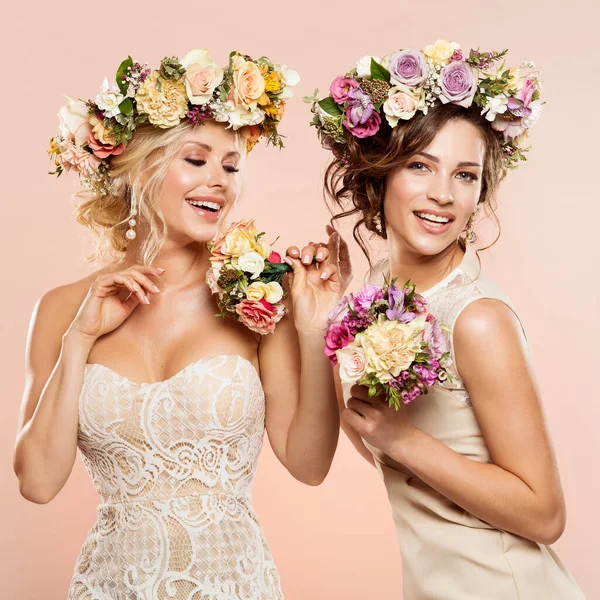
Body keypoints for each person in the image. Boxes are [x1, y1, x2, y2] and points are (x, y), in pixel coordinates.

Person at [14, 49, 343, 599]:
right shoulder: (61, 309)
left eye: (231, 166)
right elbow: (38, 483)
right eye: (197, 160)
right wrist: (79, 341)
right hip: (110, 586)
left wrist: (314, 330)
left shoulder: (258, 299)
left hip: (234, 585)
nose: (219, 181)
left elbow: (309, 465)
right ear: (141, 167)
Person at [310, 41, 585, 598]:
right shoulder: (383, 289)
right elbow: (372, 434)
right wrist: (324, 321)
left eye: (465, 175)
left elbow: (544, 513)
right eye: (420, 166)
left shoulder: (478, 318)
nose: (443, 194)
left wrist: (404, 440)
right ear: (379, 174)